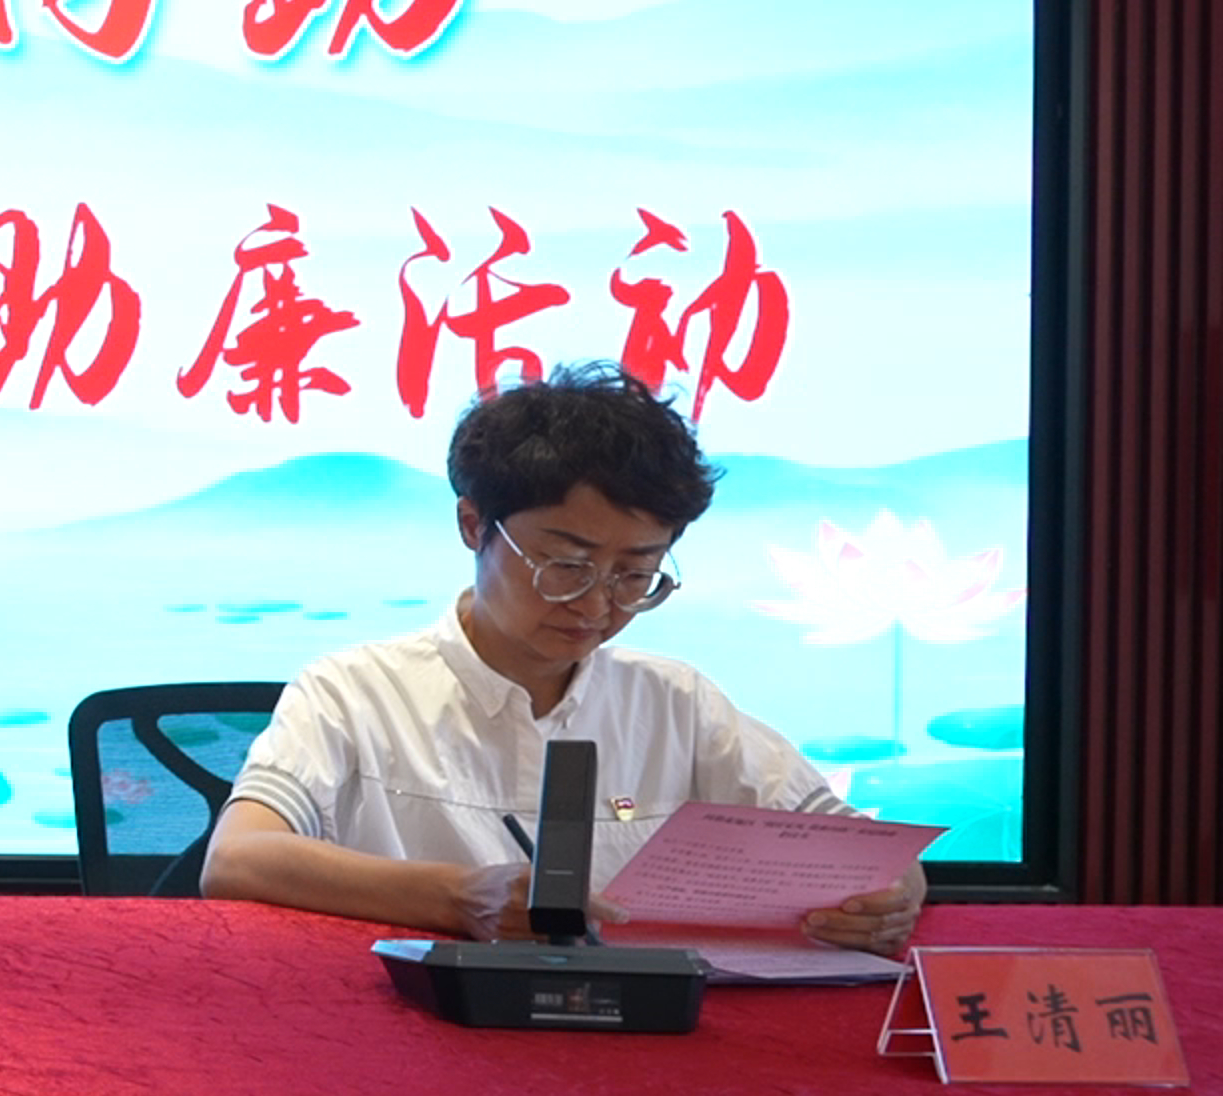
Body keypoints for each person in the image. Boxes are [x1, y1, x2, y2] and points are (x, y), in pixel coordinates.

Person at [199, 362, 924, 952]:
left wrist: (893, 896)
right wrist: (459, 897)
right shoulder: (355, 691)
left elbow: (867, 849)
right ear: (473, 525)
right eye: (566, 565)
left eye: (635, 574)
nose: (595, 604)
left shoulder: (676, 703)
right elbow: (238, 859)